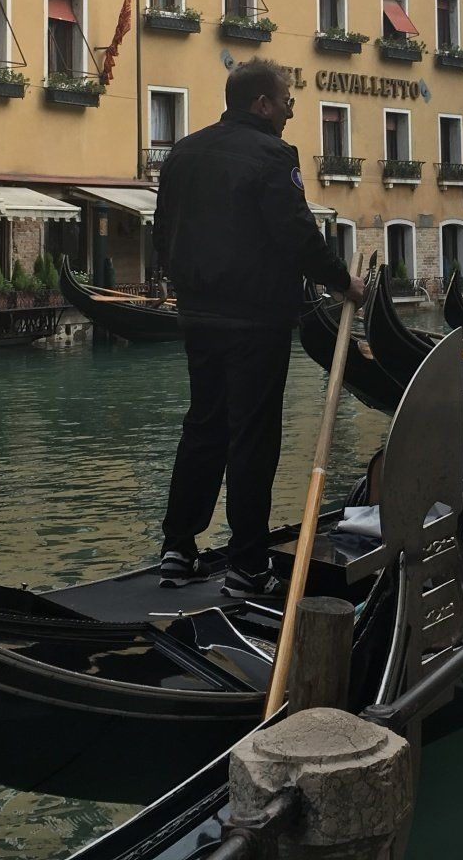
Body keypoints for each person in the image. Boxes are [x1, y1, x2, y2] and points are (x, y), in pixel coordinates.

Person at [154, 59, 367, 597]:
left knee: (204, 425)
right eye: (288, 101)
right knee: (252, 436)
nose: (292, 110)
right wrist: (344, 282)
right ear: (262, 104)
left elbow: (163, 234)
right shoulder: (273, 156)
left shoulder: (184, 152)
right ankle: (247, 565)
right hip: (255, 320)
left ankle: (178, 548)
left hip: (198, 316)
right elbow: (295, 234)